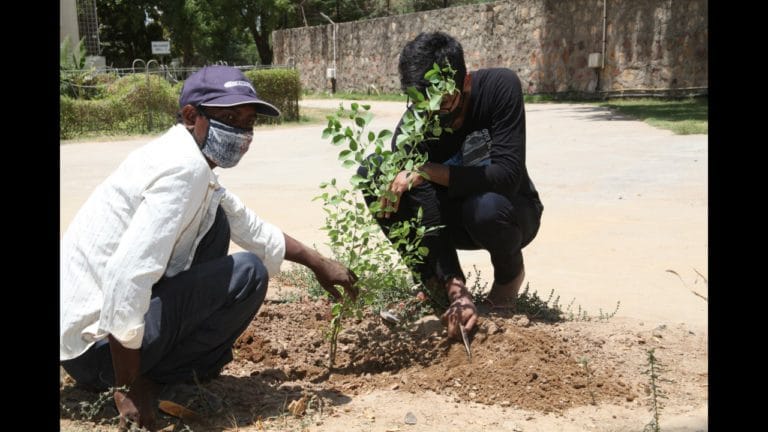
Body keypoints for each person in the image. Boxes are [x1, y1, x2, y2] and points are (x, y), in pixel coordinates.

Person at [60, 65, 358, 431]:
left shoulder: (184, 159)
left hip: (86, 346)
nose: (242, 133)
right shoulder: (184, 169)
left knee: (217, 223)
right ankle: (157, 377)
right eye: (230, 118)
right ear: (191, 116)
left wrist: (317, 261)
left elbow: (246, 223)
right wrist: (128, 388)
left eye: (249, 122)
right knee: (248, 272)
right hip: (98, 352)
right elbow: (129, 275)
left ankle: (156, 370)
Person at [359, 32, 543, 341]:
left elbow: (508, 176)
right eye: (422, 106)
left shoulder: (500, 87)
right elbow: (426, 209)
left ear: (466, 82)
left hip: (510, 211)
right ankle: (436, 285)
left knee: (484, 208)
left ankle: (507, 282)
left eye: (442, 103)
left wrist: (429, 170)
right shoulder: (412, 130)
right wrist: (455, 287)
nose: (432, 116)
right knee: (377, 174)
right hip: (447, 221)